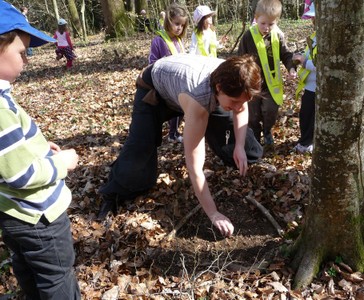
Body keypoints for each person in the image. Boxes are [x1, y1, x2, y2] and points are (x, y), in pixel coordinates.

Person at [98, 54, 263, 237]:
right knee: (139, 153)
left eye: (243, 101)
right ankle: (112, 194)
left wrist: (239, 146)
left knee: (248, 150)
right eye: (234, 102)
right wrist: (213, 213)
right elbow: (194, 167)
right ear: (219, 88)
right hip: (155, 90)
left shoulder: (236, 79)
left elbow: (241, 106)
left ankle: (237, 153)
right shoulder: (199, 100)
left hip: (188, 88)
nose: (239, 106)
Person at [0, 1, 81, 299]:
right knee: (57, 278)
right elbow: (21, 175)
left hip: (13, 215)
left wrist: (36, 145)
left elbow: (6, 151)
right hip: (38, 216)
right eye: (22, 52)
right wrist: (63, 163)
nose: (27, 60)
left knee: (29, 273)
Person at [238, 0, 296, 147]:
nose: (266, 28)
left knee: (270, 111)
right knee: (253, 115)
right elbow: (240, 59)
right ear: (256, 18)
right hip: (253, 84)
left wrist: (291, 67)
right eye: (263, 23)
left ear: (276, 22)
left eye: (271, 24)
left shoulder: (278, 36)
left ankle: (267, 130)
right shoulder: (248, 37)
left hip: (272, 85)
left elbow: (286, 54)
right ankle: (255, 140)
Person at [149, 3, 189, 143]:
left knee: (181, 109)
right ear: (168, 21)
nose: (179, 28)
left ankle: (174, 132)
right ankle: (168, 134)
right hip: (164, 83)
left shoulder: (179, 40)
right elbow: (152, 62)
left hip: (178, 82)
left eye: (182, 25)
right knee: (168, 110)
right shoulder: (158, 41)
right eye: (177, 23)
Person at [292, 2, 316, 153]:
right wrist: (299, 58)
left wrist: (304, 61)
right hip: (309, 85)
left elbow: (324, 65)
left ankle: (308, 143)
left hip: (318, 86)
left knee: (312, 117)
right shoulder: (314, 36)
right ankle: (305, 141)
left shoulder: (327, 38)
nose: (313, 22)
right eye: (312, 18)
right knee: (305, 115)